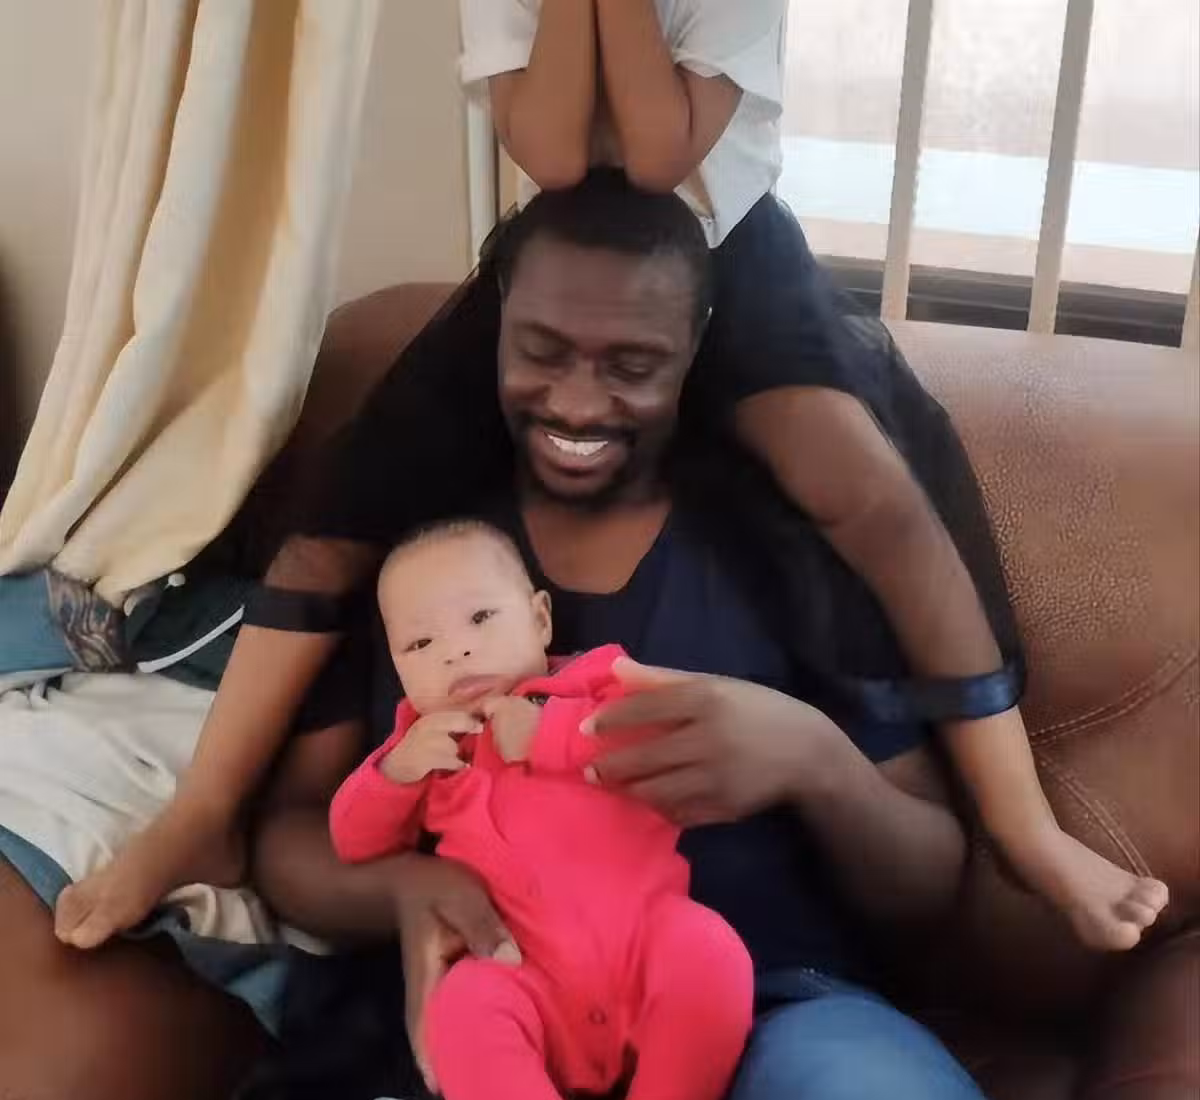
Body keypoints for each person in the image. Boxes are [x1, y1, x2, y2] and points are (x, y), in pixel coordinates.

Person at [53, 0, 1166, 956]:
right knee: (346, 506)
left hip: (723, 246)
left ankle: (1023, 827)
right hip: (572, 257)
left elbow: (658, 157)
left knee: (864, 481)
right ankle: (202, 811)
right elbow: (552, 152)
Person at [241, 175, 1036, 1100]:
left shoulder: (778, 546)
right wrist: (405, 889)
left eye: (632, 365)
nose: (578, 403)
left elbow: (929, 880)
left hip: (774, 1013)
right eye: (542, 352)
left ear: (693, 350)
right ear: (496, 330)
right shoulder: (428, 566)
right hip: (504, 1048)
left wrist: (812, 759)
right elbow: (292, 836)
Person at [330, 522, 753, 1100]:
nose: (456, 650)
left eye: (480, 618)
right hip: (526, 979)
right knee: (462, 1005)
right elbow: (353, 840)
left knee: (712, 952)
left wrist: (550, 735)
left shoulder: (598, 684)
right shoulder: (425, 742)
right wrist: (394, 774)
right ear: (397, 667)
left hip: (645, 948)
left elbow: (666, 741)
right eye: (420, 644)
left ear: (540, 618)